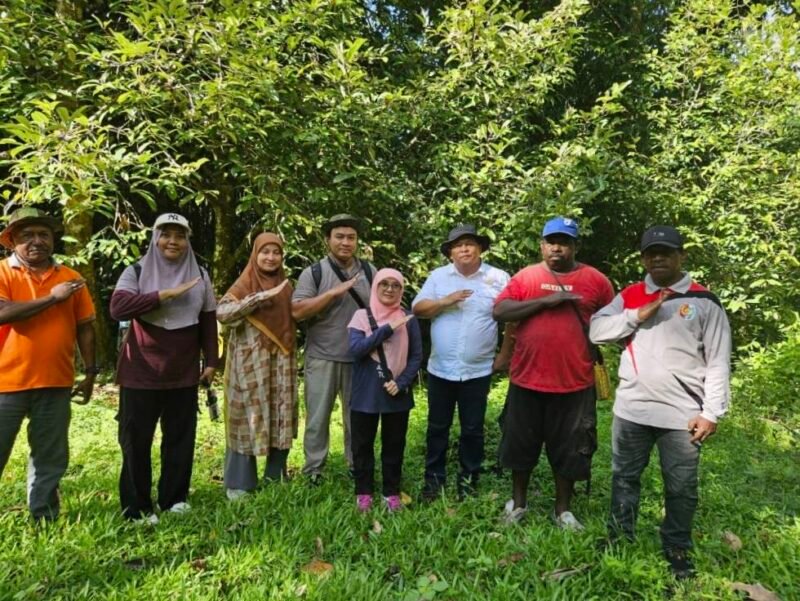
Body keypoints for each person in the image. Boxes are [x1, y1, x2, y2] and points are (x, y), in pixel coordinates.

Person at [589, 225, 731, 580]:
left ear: (681, 255)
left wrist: (711, 412)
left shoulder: (704, 301)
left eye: (666, 252)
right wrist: (635, 316)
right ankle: (620, 536)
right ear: (643, 259)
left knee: (681, 486)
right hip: (631, 409)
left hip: (683, 416)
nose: (658, 258)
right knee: (624, 478)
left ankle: (677, 548)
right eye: (651, 253)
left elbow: (718, 360)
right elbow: (596, 330)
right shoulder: (631, 294)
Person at [493, 217, 614, 529]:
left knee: (571, 448)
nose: (557, 248)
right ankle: (518, 504)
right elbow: (500, 311)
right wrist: (547, 301)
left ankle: (563, 511)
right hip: (527, 379)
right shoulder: (527, 277)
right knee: (520, 445)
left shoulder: (596, 281)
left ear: (575, 246)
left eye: (564, 242)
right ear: (542, 245)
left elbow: (612, 322)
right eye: (551, 241)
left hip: (575, 382)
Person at [110, 213, 219, 523]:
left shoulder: (200, 274)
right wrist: (162, 295)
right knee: (135, 439)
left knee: (180, 437)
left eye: (180, 235)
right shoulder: (136, 271)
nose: (173, 241)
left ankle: (174, 498)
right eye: (166, 234)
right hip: (141, 370)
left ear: (188, 241)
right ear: (155, 238)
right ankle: (137, 506)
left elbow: (208, 320)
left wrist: (211, 361)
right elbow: (117, 308)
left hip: (183, 371)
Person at [0, 207, 97, 521]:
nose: (37, 241)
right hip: (5, 383)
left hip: (56, 381)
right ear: (11, 241)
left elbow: (85, 326)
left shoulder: (71, 278)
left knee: (50, 457)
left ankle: (43, 516)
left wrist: (90, 372)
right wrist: (53, 298)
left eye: (43, 234)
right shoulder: (2, 273)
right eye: (27, 235)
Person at [413, 224, 512, 500]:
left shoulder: (498, 277)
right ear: (450, 253)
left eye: (470, 243)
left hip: (478, 370)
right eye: (458, 245)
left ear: (480, 248)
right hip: (441, 369)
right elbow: (418, 309)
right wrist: (446, 301)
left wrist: (505, 355)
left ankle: (469, 482)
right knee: (437, 427)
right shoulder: (438, 277)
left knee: (473, 428)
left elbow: (513, 317)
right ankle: (433, 481)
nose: (465, 249)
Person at [292, 214, 374, 484]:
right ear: (328, 240)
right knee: (317, 417)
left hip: (359, 358)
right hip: (322, 357)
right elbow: (297, 311)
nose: (345, 242)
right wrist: (331, 294)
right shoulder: (314, 273)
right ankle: (314, 469)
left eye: (351, 237)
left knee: (357, 419)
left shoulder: (371, 272)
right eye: (339, 236)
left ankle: (356, 465)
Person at [217, 233, 298, 500]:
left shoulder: (286, 286)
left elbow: (297, 314)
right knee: (245, 416)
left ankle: (275, 476)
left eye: (276, 252)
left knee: (281, 414)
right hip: (249, 362)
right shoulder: (245, 283)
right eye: (265, 252)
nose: (271, 258)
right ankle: (240, 483)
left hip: (282, 361)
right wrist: (255, 300)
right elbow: (223, 314)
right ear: (255, 254)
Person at [348, 268, 422, 512]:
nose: (390, 289)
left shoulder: (408, 318)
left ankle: (391, 492)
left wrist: (401, 383)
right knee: (362, 445)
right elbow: (357, 350)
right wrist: (387, 328)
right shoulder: (361, 316)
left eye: (396, 285)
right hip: (365, 391)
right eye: (384, 284)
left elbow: (416, 356)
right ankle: (364, 492)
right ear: (375, 287)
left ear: (401, 290)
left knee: (394, 445)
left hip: (396, 391)